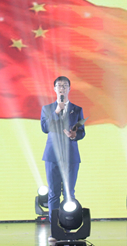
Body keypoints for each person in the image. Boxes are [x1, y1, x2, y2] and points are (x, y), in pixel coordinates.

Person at [41, 76, 86, 223]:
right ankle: (55, 227)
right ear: (55, 89)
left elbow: (82, 132)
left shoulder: (77, 109)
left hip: (71, 156)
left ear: (69, 89)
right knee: (53, 193)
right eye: (59, 85)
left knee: (69, 193)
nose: (62, 88)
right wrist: (57, 111)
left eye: (65, 85)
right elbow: (45, 128)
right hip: (52, 156)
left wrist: (74, 135)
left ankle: (68, 224)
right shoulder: (47, 109)